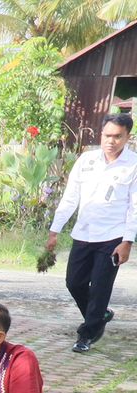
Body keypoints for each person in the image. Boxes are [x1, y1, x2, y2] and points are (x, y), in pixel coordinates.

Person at [47, 113, 137, 353]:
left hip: (113, 237)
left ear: (128, 136)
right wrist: (55, 230)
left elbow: (135, 207)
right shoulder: (86, 160)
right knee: (74, 282)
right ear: (101, 134)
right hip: (84, 233)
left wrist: (127, 241)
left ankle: (86, 334)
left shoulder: (133, 164)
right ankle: (100, 315)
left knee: (100, 287)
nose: (111, 141)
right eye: (107, 135)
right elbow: (70, 198)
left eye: (118, 136)